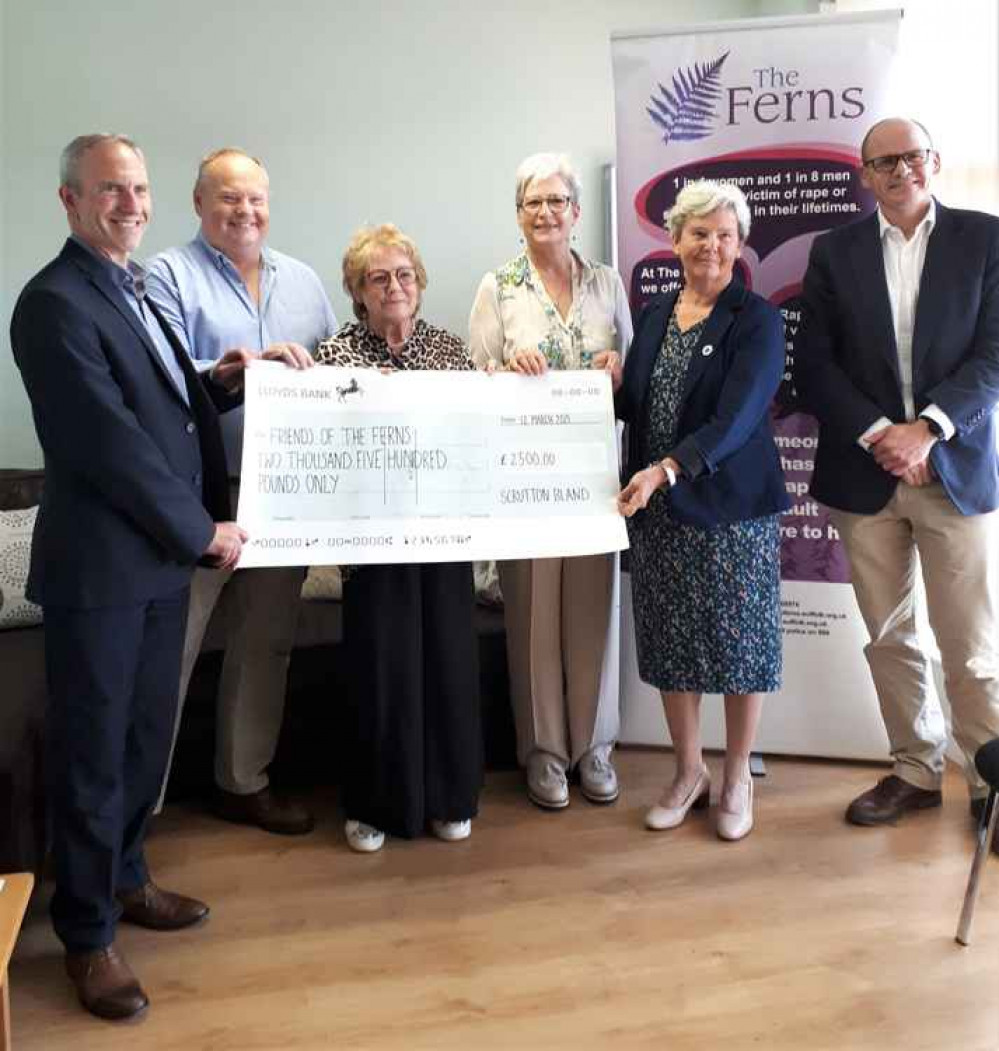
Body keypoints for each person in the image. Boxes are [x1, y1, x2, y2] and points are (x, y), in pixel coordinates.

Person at [9, 133, 256, 1020]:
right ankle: (84, 935)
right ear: (70, 201)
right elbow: (107, 443)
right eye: (111, 189)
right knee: (94, 755)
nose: (131, 203)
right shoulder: (51, 302)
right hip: (104, 572)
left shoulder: (136, 285)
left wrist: (226, 384)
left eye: (140, 188)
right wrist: (204, 531)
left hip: (156, 568)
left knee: (145, 742)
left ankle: (125, 880)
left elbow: (162, 402)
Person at [797, 117, 999, 847]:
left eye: (909, 156)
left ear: (933, 161)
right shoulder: (834, 250)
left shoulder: (984, 237)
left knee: (968, 641)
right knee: (887, 633)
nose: (898, 170)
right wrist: (882, 434)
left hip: (954, 467)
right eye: (881, 162)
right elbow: (813, 362)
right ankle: (914, 770)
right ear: (864, 175)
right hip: (865, 471)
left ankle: (987, 778)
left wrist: (929, 427)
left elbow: (994, 352)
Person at [146, 148, 337, 835]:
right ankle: (141, 809)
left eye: (255, 198)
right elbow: (155, 374)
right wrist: (228, 371)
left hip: (282, 493)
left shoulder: (305, 283)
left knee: (266, 640)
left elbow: (332, 376)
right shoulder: (167, 275)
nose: (244, 211)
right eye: (228, 198)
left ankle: (243, 781)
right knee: (169, 647)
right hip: (195, 493)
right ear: (199, 203)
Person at [616, 179, 789, 842]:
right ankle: (687, 771)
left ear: (739, 244)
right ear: (674, 240)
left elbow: (738, 417)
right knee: (670, 643)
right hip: (656, 510)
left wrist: (668, 468)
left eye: (723, 234)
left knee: (740, 647)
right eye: (698, 233)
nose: (710, 246)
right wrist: (600, 378)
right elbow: (633, 403)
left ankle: (737, 772)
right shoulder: (655, 313)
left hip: (730, 509)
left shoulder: (757, 318)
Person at [468, 153, 632, 810]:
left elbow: (630, 368)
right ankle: (542, 751)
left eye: (556, 200)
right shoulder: (497, 287)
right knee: (532, 614)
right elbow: (477, 378)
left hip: (593, 474)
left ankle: (594, 747)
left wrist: (618, 365)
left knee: (594, 611)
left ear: (575, 211)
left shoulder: (606, 282)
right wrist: (509, 364)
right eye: (532, 202)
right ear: (518, 215)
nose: (545, 212)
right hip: (524, 477)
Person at [315, 224, 483, 853]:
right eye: (377, 277)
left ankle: (449, 795)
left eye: (404, 274)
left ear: (419, 283)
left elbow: (478, 435)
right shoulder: (332, 356)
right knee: (379, 666)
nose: (394, 286)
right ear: (357, 291)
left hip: (442, 538)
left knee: (447, 660)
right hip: (372, 542)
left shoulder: (449, 349)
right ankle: (373, 804)